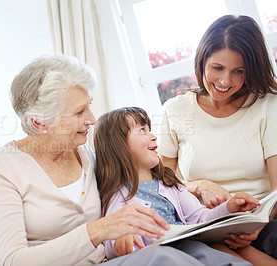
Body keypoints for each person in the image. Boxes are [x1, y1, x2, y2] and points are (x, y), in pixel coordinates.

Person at [0, 54, 251, 266]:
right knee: (165, 259)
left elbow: (138, 180)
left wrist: (198, 185)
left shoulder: (86, 155)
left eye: (89, 105)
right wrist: (100, 230)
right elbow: (12, 260)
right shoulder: (2, 166)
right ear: (39, 123)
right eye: (79, 111)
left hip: (113, 260)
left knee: (197, 252)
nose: (91, 119)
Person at [157, 14, 277, 263]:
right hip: (204, 224)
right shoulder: (176, 110)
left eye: (238, 71)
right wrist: (198, 185)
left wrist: (255, 226)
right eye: (217, 68)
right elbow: (163, 185)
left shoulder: (267, 105)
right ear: (202, 61)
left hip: (263, 221)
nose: (225, 81)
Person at [94, 106, 273, 264]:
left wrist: (229, 207)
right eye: (142, 130)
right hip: (164, 254)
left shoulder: (169, 183)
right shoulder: (117, 195)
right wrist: (119, 241)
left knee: (227, 255)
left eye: (150, 130)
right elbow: (112, 235)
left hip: (189, 244)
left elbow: (199, 218)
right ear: (118, 145)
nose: (154, 137)